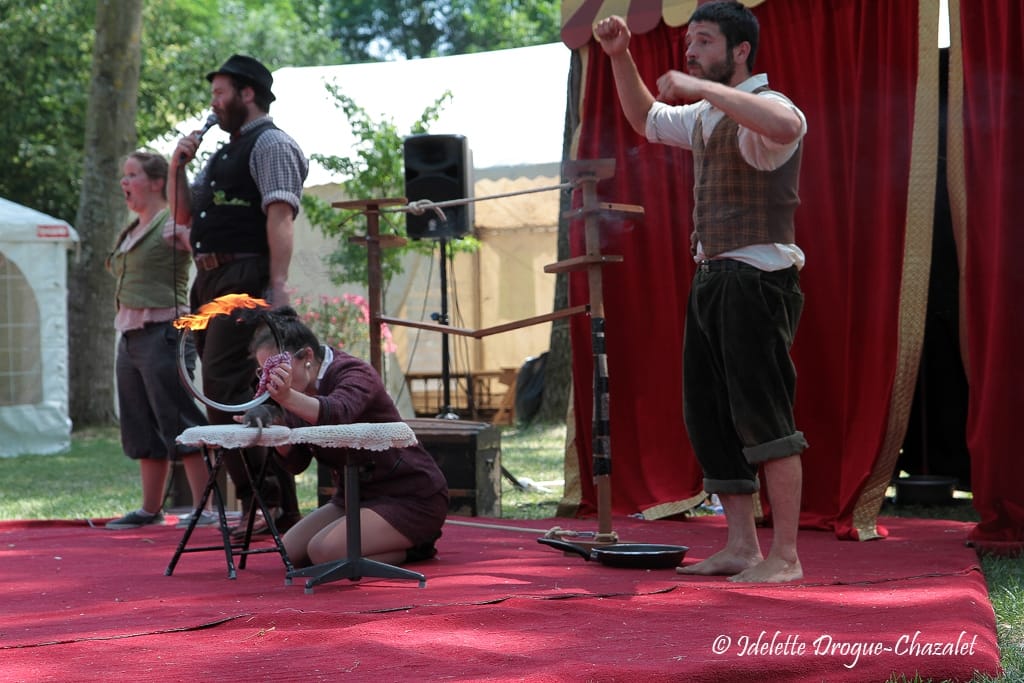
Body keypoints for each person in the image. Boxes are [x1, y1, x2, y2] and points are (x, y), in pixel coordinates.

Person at [595, 1, 809, 583]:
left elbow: (786, 128)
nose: (690, 51)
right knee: (709, 417)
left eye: (705, 42)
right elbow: (646, 118)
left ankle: (785, 558)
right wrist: (620, 56)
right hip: (714, 278)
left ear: (741, 52)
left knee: (765, 418)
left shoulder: (772, 106)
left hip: (757, 280)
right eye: (689, 42)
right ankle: (741, 546)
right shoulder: (708, 116)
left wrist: (697, 87)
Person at [168, 54, 309, 535]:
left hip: (243, 278)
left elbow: (280, 215)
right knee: (223, 392)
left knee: (231, 391)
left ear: (247, 94)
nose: (213, 103)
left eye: (220, 93)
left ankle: (266, 504)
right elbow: (184, 216)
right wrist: (178, 165)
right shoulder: (222, 152)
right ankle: (269, 506)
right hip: (209, 280)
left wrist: (277, 284)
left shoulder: (270, 145)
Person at [243, 307, 449, 568]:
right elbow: (298, 463)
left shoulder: (354, 372)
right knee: (291, 552)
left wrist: (286, 399)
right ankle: (374, 543)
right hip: (354, 496)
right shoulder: (295, 391)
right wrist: (274, 434)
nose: (271, 379)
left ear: (307, 355)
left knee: (323, 552)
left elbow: (337, 414)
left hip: (409, 494)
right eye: (264, 372)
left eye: (276, 368)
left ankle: (417, 548)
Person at [105, 151, 214, 530]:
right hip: (131, 334)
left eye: (132, 175)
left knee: (180, 418)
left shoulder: (171, 224)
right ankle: (151, 511)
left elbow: (205, 249)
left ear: (155, 183)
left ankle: (205, 510)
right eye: (124, 175)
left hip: (165, 331)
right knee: (138, 423)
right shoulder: (134, 228)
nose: (125, 183)